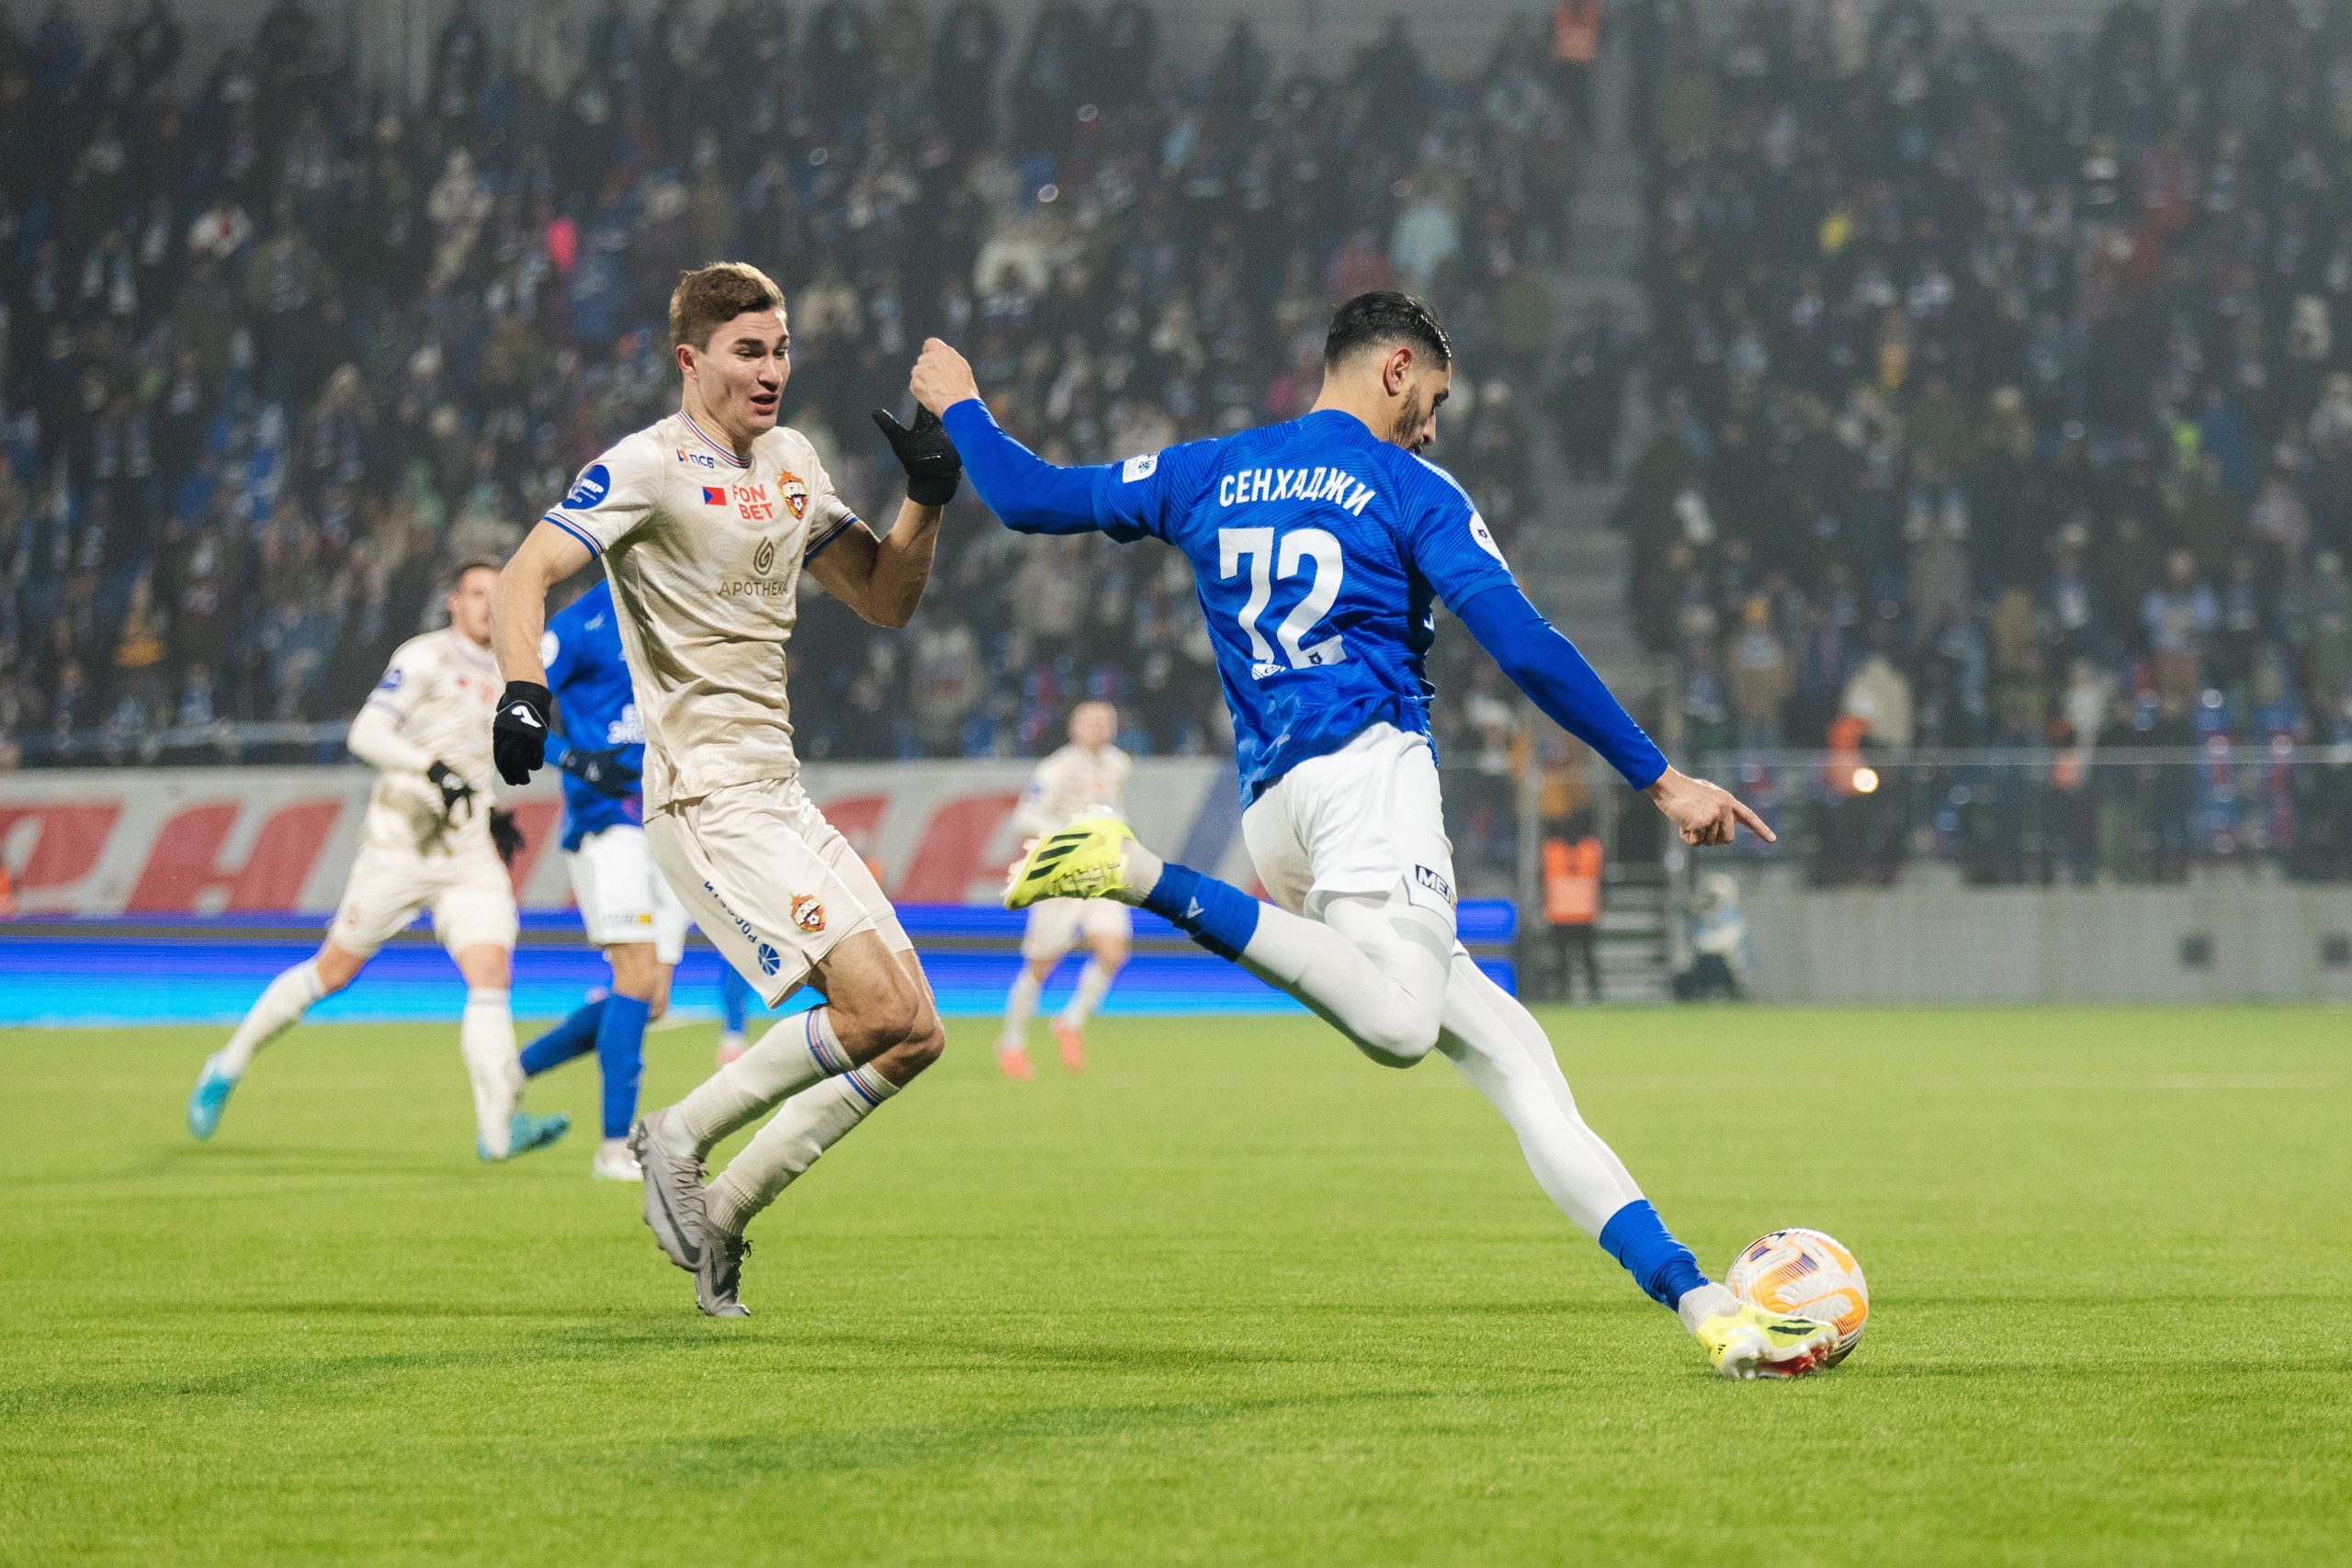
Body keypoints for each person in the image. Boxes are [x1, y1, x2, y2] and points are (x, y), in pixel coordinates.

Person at [914, 292, 1836, 1379]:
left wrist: (964, 408)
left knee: (1519, 1063)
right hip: (1367, 776)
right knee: (1402, 1027)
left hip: (1276, 814)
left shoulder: (1210, 467)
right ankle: (1144, 870)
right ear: (1395, 368)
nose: (1434, 426)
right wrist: (1660, 776)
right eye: (1434, 399)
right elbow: (1525, 646)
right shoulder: (1408, 486)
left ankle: (1703, 1304)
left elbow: (1025, 499)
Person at [490, 262, 962, 1317]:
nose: (772, 370)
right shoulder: (645, 468)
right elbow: (526, 574)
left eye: (782, 349)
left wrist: (927, 497)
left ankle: (728, 1213)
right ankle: (679, 1134)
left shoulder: (793, 460)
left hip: (778, 790)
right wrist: (522, 687)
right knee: (874, 1007)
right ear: (689, 360)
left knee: (918, 1033)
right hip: (703, 800)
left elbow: (884, 598)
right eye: (749, 351)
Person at [186, 561, 568, 1164]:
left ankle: (498, 1129)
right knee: (332, 973)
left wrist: (487, 806)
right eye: (475, 593)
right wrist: (429, 768)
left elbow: (480, 750)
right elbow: (366, 733)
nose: (485, 604)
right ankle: (227, 1063)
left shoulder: (511, 667)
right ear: (452, 602)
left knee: (490, 975)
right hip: (399, 848)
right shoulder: (423, 658)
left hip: (467, 853)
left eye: (495, 594)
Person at [509, 576, 689, 1181]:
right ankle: (614, 1147)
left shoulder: (675, 604)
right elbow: (514, 707)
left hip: (672, 820)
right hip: (607, 823)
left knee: (651, 999)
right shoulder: (577, 626)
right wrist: (578, 760)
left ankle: (518, 1068)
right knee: (635, 975)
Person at [997, 698, 1131, 1077]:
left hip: (1101, 873)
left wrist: (1120, 837)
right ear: (1074, 727)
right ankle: (1011, 1043)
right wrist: (1071, 835)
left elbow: (1112, 810)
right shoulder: (1057, 768)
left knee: (1113, 951)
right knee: (1043, 965)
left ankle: (1070, 1021)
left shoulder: (1118, 764)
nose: (1099, 727)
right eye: (1090, 721)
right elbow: (1024, 815)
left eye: (1106, 720)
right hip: (1059, 876)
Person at [1541, 822, 1603, 1002]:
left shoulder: (1552, 850)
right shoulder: (1591, 849)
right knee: (1582, 959)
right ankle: (1590, 994)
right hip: (1579, 915)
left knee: (1569, 960)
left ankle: (1567, 994)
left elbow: (1542, 880)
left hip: (1564, 915)